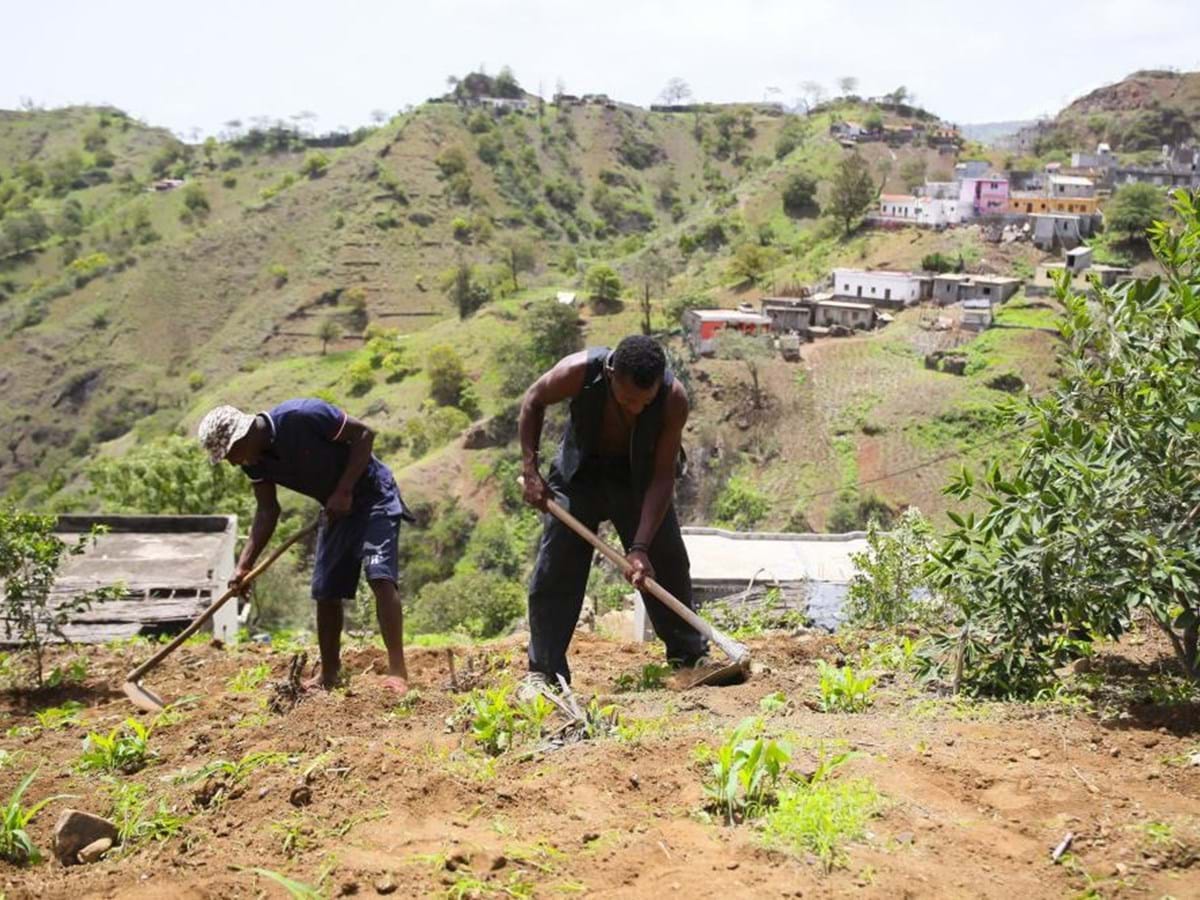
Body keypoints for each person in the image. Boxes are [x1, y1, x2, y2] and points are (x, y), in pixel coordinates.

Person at [518, 335, 708, 696]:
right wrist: (531, 471)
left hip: (639, 481)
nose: (636, 408)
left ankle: (689, 656)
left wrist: (640, 546)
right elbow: (533, 400)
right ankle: (544, 672)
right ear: (610, 375)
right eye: (627, 400)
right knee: (556, 565)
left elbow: (664, 475)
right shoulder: (577, 372)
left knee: (667, 560)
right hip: (579, 477)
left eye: (644, 400)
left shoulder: (673, 399)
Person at [198, 399, 413, 693]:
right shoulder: (254, 462)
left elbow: (365, 434)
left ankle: (398, 671)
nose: (233, 462)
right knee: (325, 590)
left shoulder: (302, 416)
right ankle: (329, 674)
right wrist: (244, 564)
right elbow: (267, 512)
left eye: (231, 454)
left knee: (379, 576)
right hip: (335, 509)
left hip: (373, 495)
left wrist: (344, 489)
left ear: (243, 434)